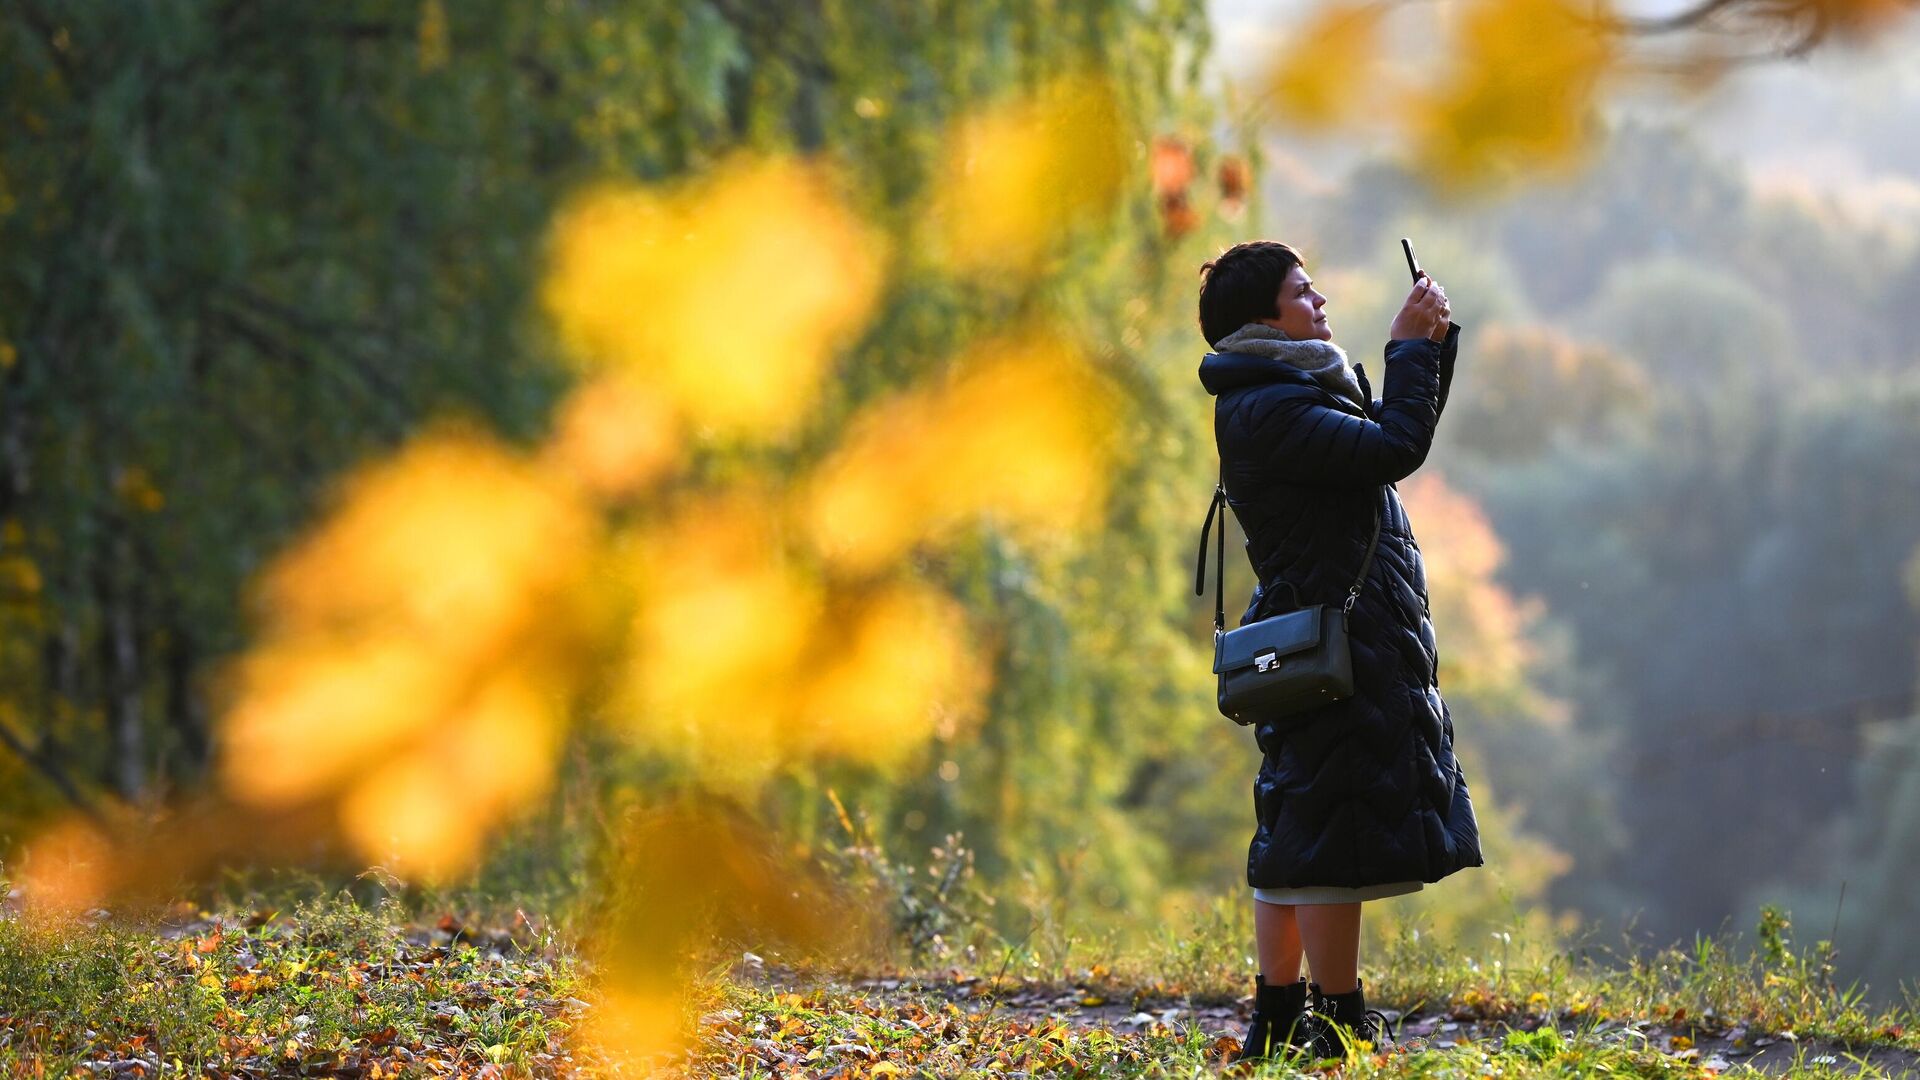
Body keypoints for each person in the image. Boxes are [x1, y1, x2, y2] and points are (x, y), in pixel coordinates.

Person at [1194, 241, 1486, 1063]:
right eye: (1302, 292)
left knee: (1297, 824)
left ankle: (1283, 1016)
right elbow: (1394, 449)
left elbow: (1388, 444)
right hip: (1333, 644)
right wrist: (1407, 351)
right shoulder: (1273, 409)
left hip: (1333, 633)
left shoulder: (1284, 391)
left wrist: (1427, 349)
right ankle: (1335, 1020)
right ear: (1262, 317)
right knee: (1323, 830)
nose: (1320, 302)